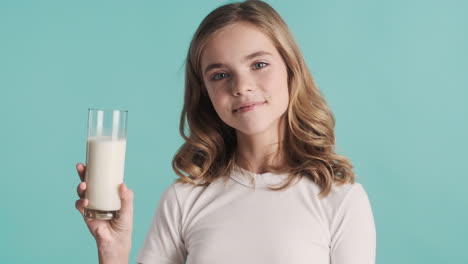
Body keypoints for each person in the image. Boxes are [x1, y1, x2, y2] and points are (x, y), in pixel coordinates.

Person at [75, 0, 376, 263]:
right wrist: (112, 252)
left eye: (259, 64)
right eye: (220, 75)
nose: (241, 86)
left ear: (291, 68)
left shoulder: (340, 199)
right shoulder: (183, 199)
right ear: (205, 91)